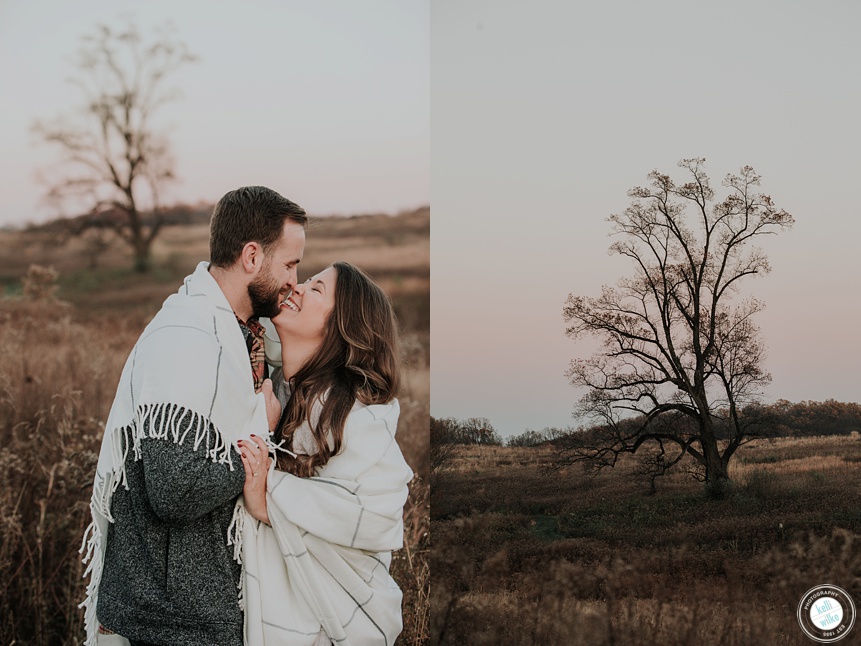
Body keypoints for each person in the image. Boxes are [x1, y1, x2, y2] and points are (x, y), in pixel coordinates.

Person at [80, 186, 307, 646]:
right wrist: (259, 433)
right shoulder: (186, 338)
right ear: (250, 256)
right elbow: (174, 489)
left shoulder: (241, 335)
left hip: (195, 609)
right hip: (173, 619)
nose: (294, 281)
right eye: (289, 264)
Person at [237, 262, 414, 645]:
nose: (297, 288)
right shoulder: (282, 391)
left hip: (335, 622)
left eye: (316, 289)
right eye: (306, 280)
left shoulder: (346, 412)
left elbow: (379, 513)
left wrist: (271, 498)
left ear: (341, 326)